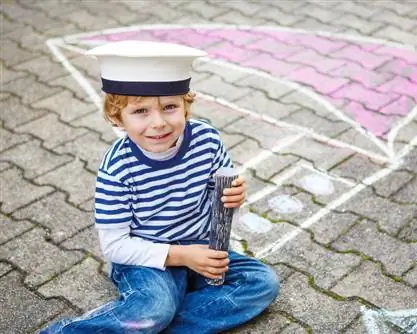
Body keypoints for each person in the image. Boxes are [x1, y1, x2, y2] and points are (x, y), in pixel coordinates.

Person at [40, 40, 280, 334]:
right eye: (140, 111)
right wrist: (182, 256)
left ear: (186, 106)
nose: (158, 123)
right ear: (118, 118)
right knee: (154, 308)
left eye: (169, 107)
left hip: (203, 249)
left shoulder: (206, 139)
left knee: (261, 283)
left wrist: (235, 199)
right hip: (147, 259)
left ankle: (148, 326)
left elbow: (221, 205)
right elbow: (115, 246)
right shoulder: (118, 168)